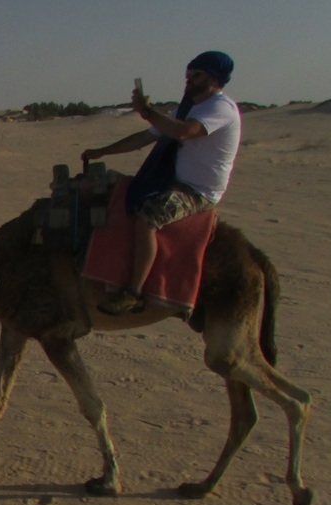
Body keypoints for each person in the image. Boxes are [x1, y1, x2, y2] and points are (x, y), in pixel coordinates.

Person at [82, 51, 241, 315]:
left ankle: (133, 292)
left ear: (213, 77)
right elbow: (145, 137)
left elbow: (184, 132)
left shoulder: (220, 108)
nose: (188, 80)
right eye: (188, 75)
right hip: (172, 179)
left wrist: (147, 112)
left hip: (197, 191)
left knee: (148, 218)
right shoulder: (189, 107)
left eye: (196, 75)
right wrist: (102, 151)